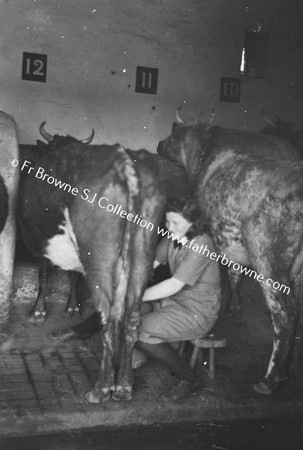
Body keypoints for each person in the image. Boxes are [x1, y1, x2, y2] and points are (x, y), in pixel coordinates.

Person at [51, 197, 222, 402]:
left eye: (175, 223)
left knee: (137, 331)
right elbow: (150, 266)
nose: (169, 227)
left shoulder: (201, 244)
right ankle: (121, 381)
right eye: (167, 222)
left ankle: (189, 378)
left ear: (193, 222)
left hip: (198, 312)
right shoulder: (174, 236)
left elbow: (174, 285)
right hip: (173, 302)